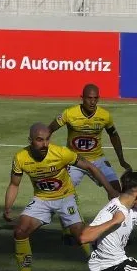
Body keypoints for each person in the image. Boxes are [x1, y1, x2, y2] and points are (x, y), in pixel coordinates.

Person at [3, 122, 119, 271]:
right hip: (42, 199)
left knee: (82, 238)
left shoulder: (61, 153)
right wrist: (8, 207)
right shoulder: (20, 157)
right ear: (30, 140)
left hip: (66, 198)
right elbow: (14, 184)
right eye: (39, 140)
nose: (44, 144)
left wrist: (110, 190)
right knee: (20, 231)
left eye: (47, 139)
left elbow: (89, 166)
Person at [49, 84, 132, 242]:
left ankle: (121, 228)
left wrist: (121, 159)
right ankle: (67, 229)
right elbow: (50, 129)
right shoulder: (69, 114)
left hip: (98, 159)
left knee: (116, 191)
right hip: (75, 161)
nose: (92, 102)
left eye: (95, 98)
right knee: (63, 192)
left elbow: (114, 136)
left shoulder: (104, 116)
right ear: (82, 98)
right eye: (89, 98)